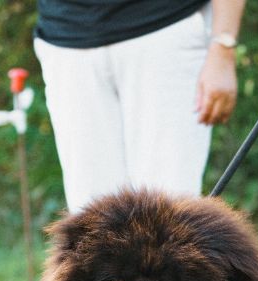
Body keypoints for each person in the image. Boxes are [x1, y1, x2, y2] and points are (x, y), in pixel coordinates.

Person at [34, 0, 246, 212]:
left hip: (165, 34)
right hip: (65, 41)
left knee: (168, 213)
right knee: (89, 217)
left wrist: (223, 43)